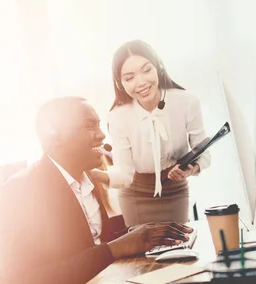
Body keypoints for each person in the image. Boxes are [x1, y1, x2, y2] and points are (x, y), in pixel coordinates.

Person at [0, 97, 193, 284]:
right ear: (54, 136)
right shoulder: (21, 191)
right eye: (89, 126)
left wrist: (140, 234)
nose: (101, 135)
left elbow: (91, 244)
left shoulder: (86, 179)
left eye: (98, 125)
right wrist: (115, 249)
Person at [89, 39, 212, 226]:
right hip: (135, 194)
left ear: (158, 67)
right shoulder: (118, 116)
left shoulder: (186, 102)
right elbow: (125, 175)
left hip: (175, 190)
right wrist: (93, 174)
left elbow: (204, 154)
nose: (141, 83)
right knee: (142, 254)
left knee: (179, 248)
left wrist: (190, 169)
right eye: (129, 78)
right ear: (120, 83)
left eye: (146, 70)